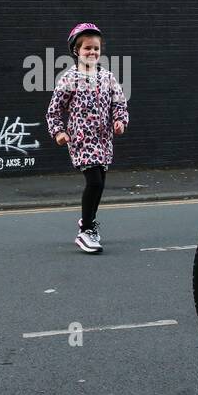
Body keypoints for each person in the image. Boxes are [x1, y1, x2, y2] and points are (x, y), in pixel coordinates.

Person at [45, 23, 129, 253]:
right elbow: (54, 110)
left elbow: (119, 104)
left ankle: (87, 220)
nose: (92, 53)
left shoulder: (108, 77)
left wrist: (120, 121)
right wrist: (59, 132)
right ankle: (86, 232)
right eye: (87, 49)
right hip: (81, 141)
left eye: (96, 49)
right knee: (94, 182)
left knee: (100, 184)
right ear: (76, 51)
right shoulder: (68, 79)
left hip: (104, 140)